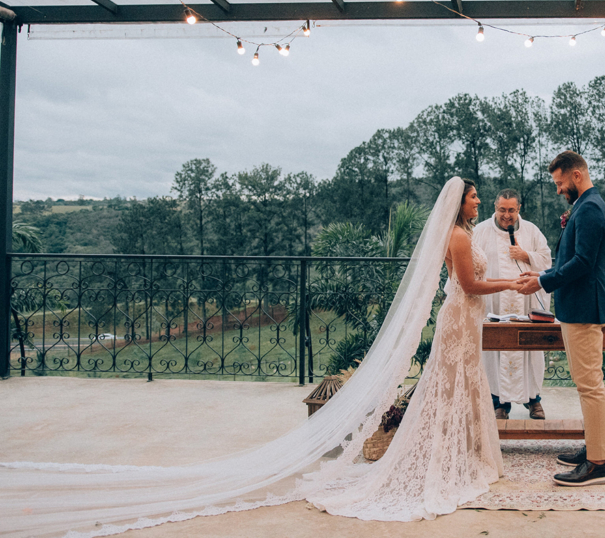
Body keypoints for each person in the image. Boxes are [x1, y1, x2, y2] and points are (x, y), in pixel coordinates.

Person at [0, 178, 524, 534]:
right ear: (461, 205)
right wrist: (514, 285)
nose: (480, 204)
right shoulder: (457, 236)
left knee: (462, 387)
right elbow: (469, 283)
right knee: (453, 386)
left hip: (466, 320)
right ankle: (448, 460)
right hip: (461, 319)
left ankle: (463, 454)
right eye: (476, 198)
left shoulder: (463, 231)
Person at [518, 151, 605, 487]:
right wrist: (543, 272)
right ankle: (594, 448)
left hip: (585, 308)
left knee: (590, 386)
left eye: (560, 183)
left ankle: (598, 463)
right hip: (578, 307)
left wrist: (543, 282)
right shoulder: (587, 205)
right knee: (587, 384)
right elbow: (569, 260)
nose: (558, 190)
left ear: (576, 175)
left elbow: (583, 263)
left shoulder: (589, 209)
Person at [473, 188, 552, 420]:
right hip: (493, 303)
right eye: (502, 210)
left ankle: (533, 400)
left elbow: (546, 260)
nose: (506, 215)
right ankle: (499, 402)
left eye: (511, 210)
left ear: (519, 210)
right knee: (494, 351)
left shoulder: (532, 231)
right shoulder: (480, 232)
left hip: (525, 303)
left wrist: (526, 255)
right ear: (495, 208)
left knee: (529, 350)